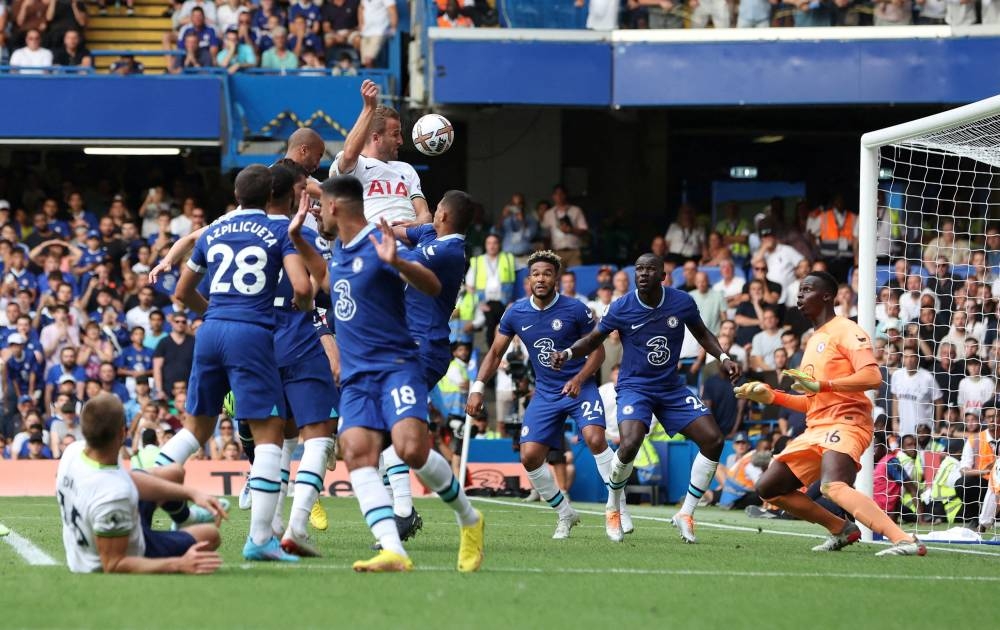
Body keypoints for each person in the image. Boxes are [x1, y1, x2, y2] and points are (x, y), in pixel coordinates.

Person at [289, 175, 483, 573]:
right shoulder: (342, 249)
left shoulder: (381, 248)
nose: (317, 214)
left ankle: (469, 518)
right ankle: (393, 549)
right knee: (357, 452)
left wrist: (397, 261)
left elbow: (431, 286)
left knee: (409, 448)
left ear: (335, 208)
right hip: (359, 375)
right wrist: (299, 242)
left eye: (321, 206)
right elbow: (327, 280)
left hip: (396, 364)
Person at [157, 164, 312, 563]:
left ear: (238, 195)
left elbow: (181, 292)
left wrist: (216, 313)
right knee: (270, 434)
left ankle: (152, 485)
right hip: (252, 334)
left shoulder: (214, 230)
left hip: (210, 331)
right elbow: (300, 287)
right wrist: (307, 307)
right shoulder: (280, 230)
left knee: (196, 428)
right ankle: (260, 539)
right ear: (274, 196)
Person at [553, 252, 742, 543]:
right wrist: (566, 353)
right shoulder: (622, 306)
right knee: (629, 443)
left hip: (670, 387)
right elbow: (593, 340)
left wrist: (724, 357)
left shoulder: (681, 301)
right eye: (638, 269)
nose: (642, 274)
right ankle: (613, 506)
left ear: (663, 275)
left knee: (714, 439)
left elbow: (703, 333)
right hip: (635, 387)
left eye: (649, 269)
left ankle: (686, 513)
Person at [736, 271, 926, 556]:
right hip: (817, 427)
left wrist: (823, 384)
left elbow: (873, 377)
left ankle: (905, 540)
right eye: (798, 290)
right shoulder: (813, 340)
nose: (799, 295)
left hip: (848, 421)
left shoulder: (846, 330)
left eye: (807, 289)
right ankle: (841, 528)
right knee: (769, 487)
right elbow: (813, 403)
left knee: (833, 486)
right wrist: (772, 395)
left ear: (827, 296)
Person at [468, 250, 632, 542]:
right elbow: (495, 353)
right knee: (529, 456)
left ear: (556, 278)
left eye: (547, 273)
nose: (541, 279)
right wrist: (478, 386)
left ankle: (616, 506)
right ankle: (564, 513)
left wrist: (579, 379)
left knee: (595, 438)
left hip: (580, 387)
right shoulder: (515, 312)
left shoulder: (577, 310)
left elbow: (598, 352)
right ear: (528, 280)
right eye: (535, 274)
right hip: (545, 392)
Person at [374, 189, 474, 543]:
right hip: (403, 345)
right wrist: (393, 224)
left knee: (397, 433)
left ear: (443, 216)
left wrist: (366, 232)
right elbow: (404, 230)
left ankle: (404, 512)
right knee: (380, 432)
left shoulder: (449, 252)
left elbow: (398, 256)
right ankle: (399, 511)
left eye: (435, 213)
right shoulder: (431, 234)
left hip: (424, 347)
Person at [56, 394, 225, 574]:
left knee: (174, 472)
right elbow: (113, 564)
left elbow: (126, 479)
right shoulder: (113, 495)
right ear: (123, 433)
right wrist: (179, 564)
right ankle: (179, 530)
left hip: (111, 520)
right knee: (210, 536)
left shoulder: (74, 451)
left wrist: (191, 493)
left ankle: (184, 519)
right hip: (130, 551)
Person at [329, 79, 431, 225]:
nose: (401, 141)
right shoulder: (356, 164)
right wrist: (369, 108)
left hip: (410, 240)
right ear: (376, 138)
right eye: (395, 134)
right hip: (373, 239)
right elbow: (350, 154)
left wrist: (413, 225)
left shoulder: (406, 169)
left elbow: (425, 216)